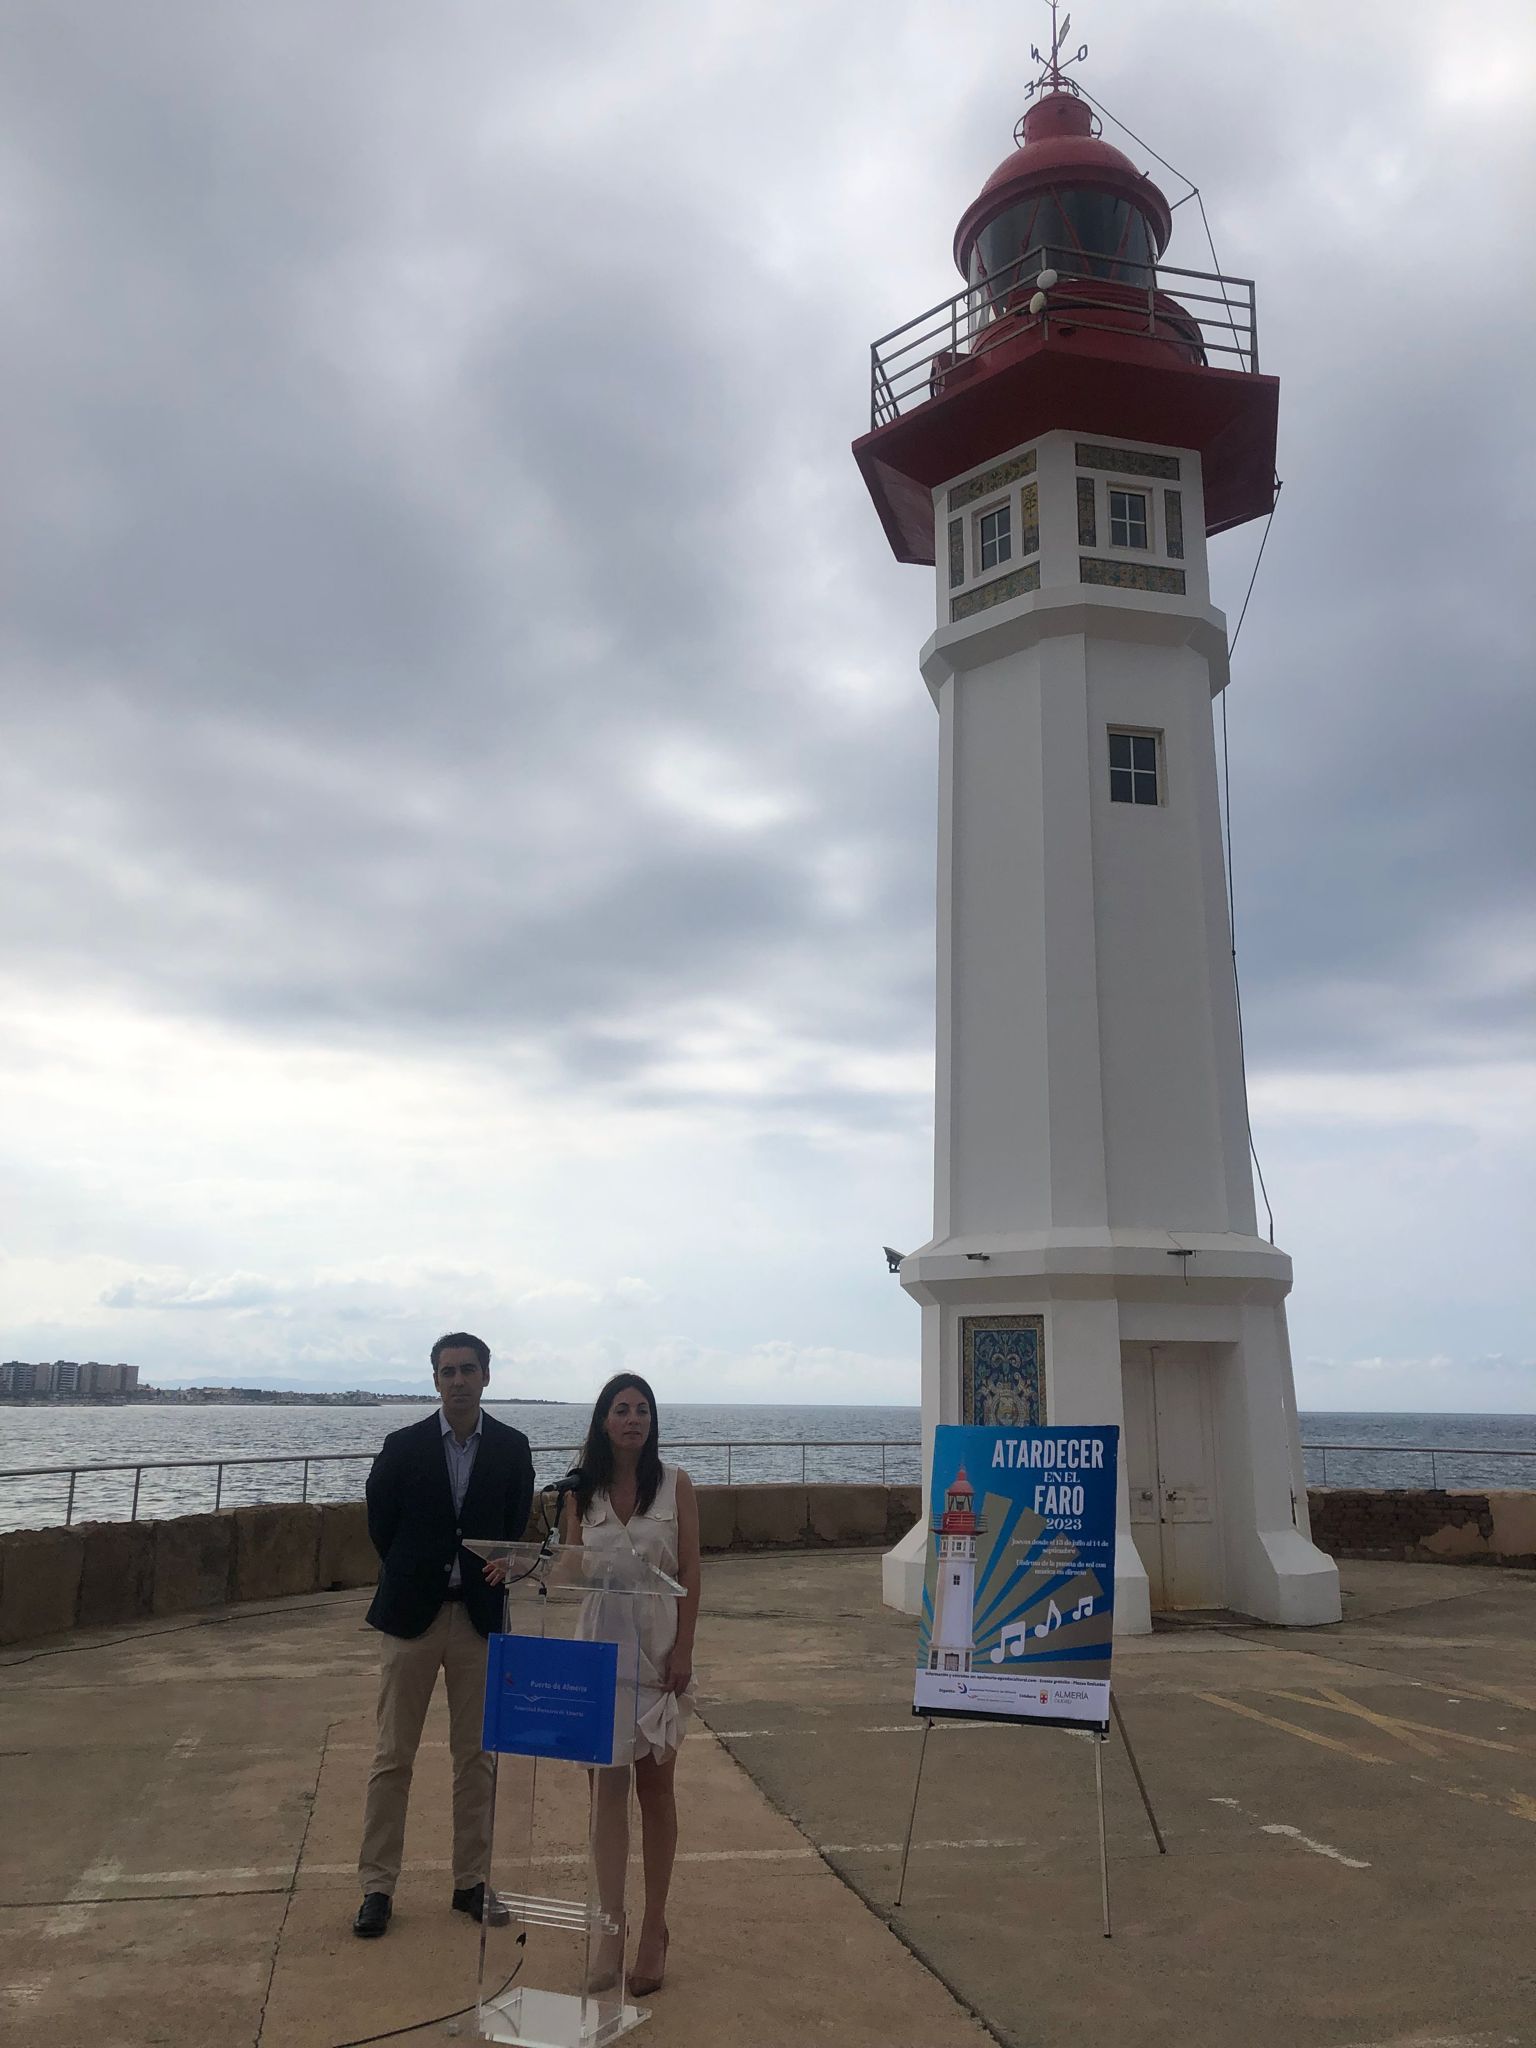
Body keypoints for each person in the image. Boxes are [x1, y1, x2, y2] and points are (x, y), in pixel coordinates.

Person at [352, 1331, 535, 1938]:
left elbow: (512, 1530)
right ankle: (377, 1888)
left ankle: (470, 1883)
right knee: (391, 1758)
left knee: (476, 1759)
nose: (458, 1380)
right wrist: (416, 1572)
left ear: (487, 1376)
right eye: (448, 1371)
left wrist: (501, 1565)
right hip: (412, 1619)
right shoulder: (401, 1447)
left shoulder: (512, 1448)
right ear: (434, 1380)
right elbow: (382, 1524)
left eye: (469, 1370)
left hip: (479, 1621)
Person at [561, 1373, 700, 1997]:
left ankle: (654, 1930)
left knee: (656, 1791)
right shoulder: (577, 1491)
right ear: (603, 1420)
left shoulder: (676, 1486)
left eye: (642, 1409)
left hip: (657, 1658)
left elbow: (692, 1569)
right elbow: (566, 1570)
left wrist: (686, 1650)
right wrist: (517, 1563)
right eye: (622, 1409)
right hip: (598, 1658)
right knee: (606, 1796)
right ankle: (610, 1929)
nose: (633, 1418)